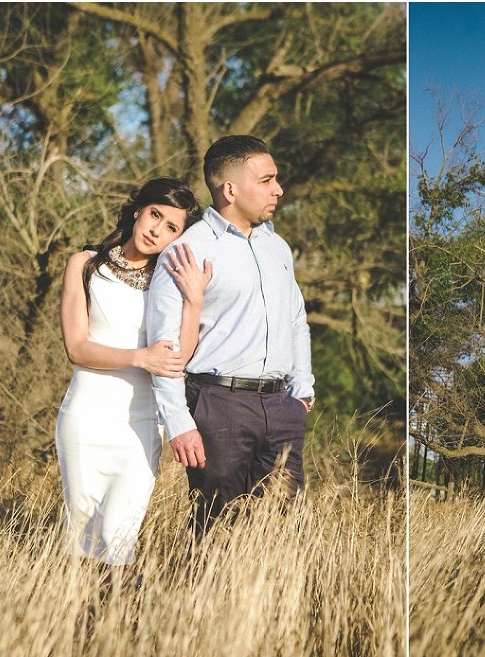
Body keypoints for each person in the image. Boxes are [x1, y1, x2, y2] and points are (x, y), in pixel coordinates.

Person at [146, 135, 315, 537]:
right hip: (218, 405)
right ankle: (203, 600)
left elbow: (296, 319)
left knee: (282, 529)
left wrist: (302, 387)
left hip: (282, 407)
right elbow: (165, 347)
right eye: (267, 179)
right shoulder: (187, 251)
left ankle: (266, 600)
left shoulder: (279, 248)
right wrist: (179, 421)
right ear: (230, 189)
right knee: (215, 529)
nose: (279, 189)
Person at [56, 178, 209, 578]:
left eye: (172, 227)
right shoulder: (85, 264)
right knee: (83, 535)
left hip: (142, 424)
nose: (157, 229)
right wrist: (140, 357)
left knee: (120, 536)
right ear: (139, 209)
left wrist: (193, 300)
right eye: (156, 214)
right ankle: (71, 625)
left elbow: (180, 356)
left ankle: (120, 630)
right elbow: (77, 347)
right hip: (85, 417)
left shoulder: (169, 282)